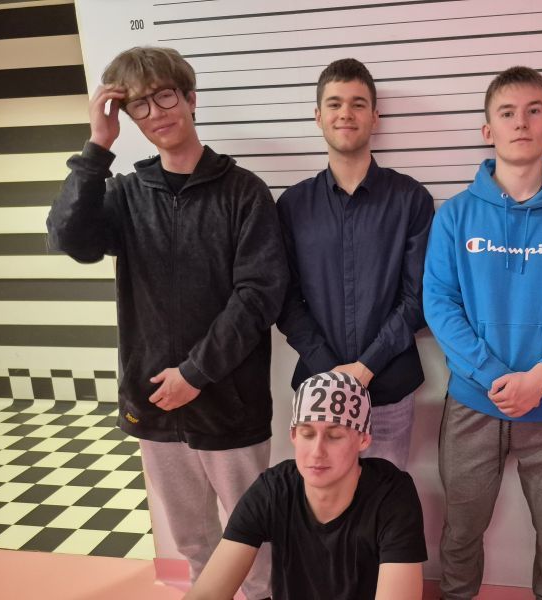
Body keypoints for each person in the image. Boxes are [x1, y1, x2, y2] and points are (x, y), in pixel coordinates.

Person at [46, 46, 288, 599]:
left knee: (254, 545)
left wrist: (195, 374)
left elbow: (259, 296)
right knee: (193, 543)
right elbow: (67, 239)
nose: (156, 113)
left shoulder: (243, 191)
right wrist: (97, 146)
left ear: (190, 98)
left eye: (165, 96)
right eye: (140, 105)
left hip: (230, 405)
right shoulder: (126, 195)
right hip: (155, 401)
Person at [423, 66, 542, 600]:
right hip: (473, 405)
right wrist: (493, 374)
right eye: (507, 113)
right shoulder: (455, 216)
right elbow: (439, 305)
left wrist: (541, 376)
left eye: (534, 111)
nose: (521, 123)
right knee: (461, 533)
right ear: (488, 129)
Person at [276, 58, 434, 469]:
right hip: (317, 388)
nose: (345, 113)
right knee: (324, 499)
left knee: (385, 497)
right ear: (318, 116)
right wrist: (332, 372)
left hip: (389, 388)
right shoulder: (292, 205)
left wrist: (365, 368)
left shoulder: (411, 199)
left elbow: (418, 298)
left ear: (375, 117)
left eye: (358, 104)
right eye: (334, 103)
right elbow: (285, 301)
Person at [185, 371, 428, 600]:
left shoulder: (392, 495)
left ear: (363, 439)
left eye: (334, 436)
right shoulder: (273, 489)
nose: (317, 452)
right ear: (293, 435)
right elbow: (206, 594)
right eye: (307, 434)